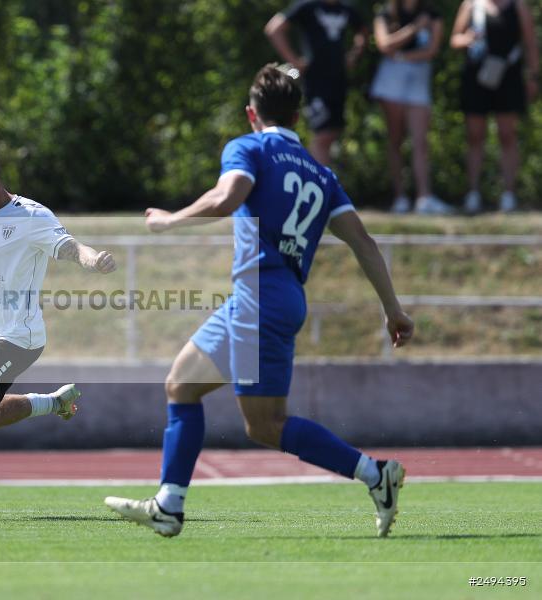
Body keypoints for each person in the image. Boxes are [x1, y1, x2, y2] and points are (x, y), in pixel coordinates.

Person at [105, 65, 414, 538]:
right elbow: (364, 242)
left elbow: (228, 197)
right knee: (189, 389)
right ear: (297, 116)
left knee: (258, 421)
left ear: (252, 113)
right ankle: (170, 504)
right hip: (276, 296)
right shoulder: (321, 172)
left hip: (258, 296)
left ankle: (374, 473)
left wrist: (170, 221)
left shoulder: (248, 147)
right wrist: (393, 309)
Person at [0, 149, 117, 521]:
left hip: (19, 337)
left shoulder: (32, 216)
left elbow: (71, 247)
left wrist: (93, 261)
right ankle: (53, 402)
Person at [451, 0, 539, 214]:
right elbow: (454, 39)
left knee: (507, 134)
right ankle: (473, 193)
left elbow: (530, 42)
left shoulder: (518, 6)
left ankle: (508, 194)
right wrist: (467, 40)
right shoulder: (471, 5)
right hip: (476, 76)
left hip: (508, 75)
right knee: (474, 135)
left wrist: (534, 77)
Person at [371, 1, 455, 215]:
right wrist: (414, 29)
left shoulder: (432, 13)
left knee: (420, 141)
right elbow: (384, 45)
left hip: (419, 78)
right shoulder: (386, 14)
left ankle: (424, 197)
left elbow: (432, 50)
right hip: (392, 79)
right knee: (396, 139)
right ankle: (399, 197)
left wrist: (401, 55)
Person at [265, 0, 367, 166]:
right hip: (316, 82)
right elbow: (273, 29)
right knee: (322, 134)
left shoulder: (346, 8)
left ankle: (322, 178)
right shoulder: (307, 6)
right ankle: (318, 182)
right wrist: (294, 61)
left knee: (333, 130)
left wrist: (354, 55)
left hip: (339, 81)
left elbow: (362, 31)